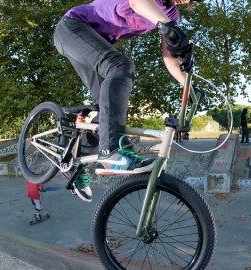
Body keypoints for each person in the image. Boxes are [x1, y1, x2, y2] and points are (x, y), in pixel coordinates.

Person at [54, 0, 200, 202]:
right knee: (121, 66)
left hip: (92, 44)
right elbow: (138, 3)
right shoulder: (163, 15)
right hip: (73, 28)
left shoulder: (172, 15)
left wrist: (189, 85)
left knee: (108, 106)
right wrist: (168, 27)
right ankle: (111, 153)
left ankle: (77, 167)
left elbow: (169, 59)